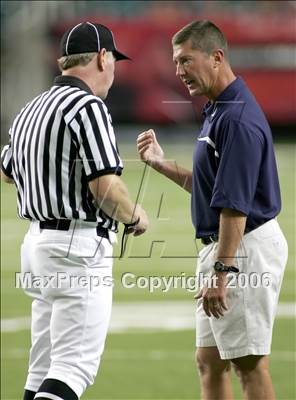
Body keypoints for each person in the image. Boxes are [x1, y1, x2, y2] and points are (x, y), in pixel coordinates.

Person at [137, 20, 288, 400]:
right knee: (209, 360)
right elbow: (211, 189)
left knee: (249, 364)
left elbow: (234, 207)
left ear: (216, 57)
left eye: (186, 60)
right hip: (231, 247)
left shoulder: (235, 118)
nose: (178, 71)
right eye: (176, 62)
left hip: (243, 249)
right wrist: (160, 163)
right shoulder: (219, 108)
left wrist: (222, 273)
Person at [1, 21, 148, 400]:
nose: (114, 69)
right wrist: (134, 215)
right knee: (72, 367)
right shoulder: (88, 107)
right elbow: (105, 187)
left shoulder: (29, 110)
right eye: (113, 60)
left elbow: (7, 170)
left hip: (37, 243)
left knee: (42, 369)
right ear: (102, 57)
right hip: (76, 246)